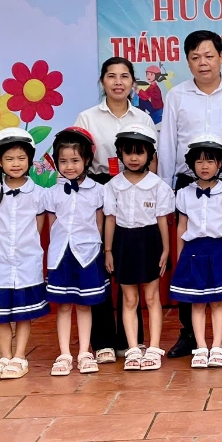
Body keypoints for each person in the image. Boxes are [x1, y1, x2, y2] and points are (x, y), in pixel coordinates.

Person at [158, 30, 222, 357]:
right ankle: (189, 332)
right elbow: (167, 143)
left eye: (208, 56)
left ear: (221, 57)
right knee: (190, 257)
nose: (202, 63)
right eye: (195, 57)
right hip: (188, 185)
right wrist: (165, 189)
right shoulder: (176, 96)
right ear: (187, 61)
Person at [73, 56, 154, 365]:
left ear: (133, 81)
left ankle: (131, 340)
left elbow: (152, 161)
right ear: (102, 81)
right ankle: (104, 340)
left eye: (124, 76)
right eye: (111, 76)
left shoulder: (143, 118)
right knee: (101, 265)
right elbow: (77, 158)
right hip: (98, 188)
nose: (118, 82)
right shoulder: (87, 118)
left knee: (130, 265)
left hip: (134, 189)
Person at [0, 127, 48, 380]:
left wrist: (23, 250)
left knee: (24, 312)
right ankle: (4, 356)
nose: (16, 164)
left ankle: (19, 356)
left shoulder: (38, 194)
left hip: (27, 263)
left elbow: (38, 227)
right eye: (9, 158)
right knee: (0, 314)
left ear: (29, 160)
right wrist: (3, 249)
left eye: (21, 158)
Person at [103, 120, 174, 371]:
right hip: (123, 242)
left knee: (152, 297)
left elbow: (162, 219)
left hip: (150, 240)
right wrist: (108, 250)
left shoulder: (158, 186)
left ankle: (153, 348)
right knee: (129, 298)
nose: (134, 158)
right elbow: (110, 219)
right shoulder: (113, 186)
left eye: (140, 152)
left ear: (149, 155)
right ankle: (133, 348)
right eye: (128, 152)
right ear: (120, 154)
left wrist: (166, 249)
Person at [169, 135, 222, 369]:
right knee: (197, 303)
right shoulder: (184, 193)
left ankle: (218, 346)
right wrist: (180, 257)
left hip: (217, 251)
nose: (204, 166)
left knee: (218, 302)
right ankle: (201, 347)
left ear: (219, 164)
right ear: (192, 164)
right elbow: (181, 227)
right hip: (192, 252)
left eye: (210, 161)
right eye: (199, 161)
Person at [42, 127, 109, 376]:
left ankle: (84, 352)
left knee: (84, 305)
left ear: (87, 160)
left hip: (88, 255)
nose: (69, 166)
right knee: (63, 306)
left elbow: (99, 225)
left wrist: (100, 250)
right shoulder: (52, 193)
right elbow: (52, 226)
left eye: (75, 160)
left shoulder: (98, 191)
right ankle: (64, 354)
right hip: (61, 255)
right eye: (63, 161)